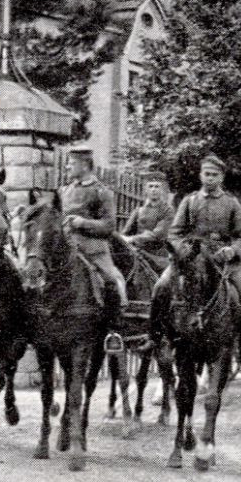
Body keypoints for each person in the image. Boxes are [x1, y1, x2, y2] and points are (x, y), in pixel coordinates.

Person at [159, 154, 241, 351]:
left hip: (223, 261)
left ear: (221, 177)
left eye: (214, 175)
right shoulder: (189, 201)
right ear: (200, 175)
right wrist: (184, 250)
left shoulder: (231, 203)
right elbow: (174, 234)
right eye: (206, 174)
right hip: (192, 258)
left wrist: (232, 250)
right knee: (160, 287)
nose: (209, 178)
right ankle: (157, 337)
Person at [59, 146, 125, 352]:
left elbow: (109, 226)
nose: (68, 166)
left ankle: (112, 332)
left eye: (72, 162)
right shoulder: (65, 191)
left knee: (112, 282)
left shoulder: (102, 192)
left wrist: (82, 223)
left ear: (85, 164)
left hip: (94, 251)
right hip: (67, 249)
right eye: (68, 162)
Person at [121, 171, 175, 257]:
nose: (153, 189)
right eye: (150, 186)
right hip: (138, 254)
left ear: (162, 190)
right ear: (146, 190)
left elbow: (157, 235)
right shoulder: (138, 211)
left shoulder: (168, 210)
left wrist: (132, 239)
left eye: (157, 186)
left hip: (158, 256)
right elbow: (125, 233)